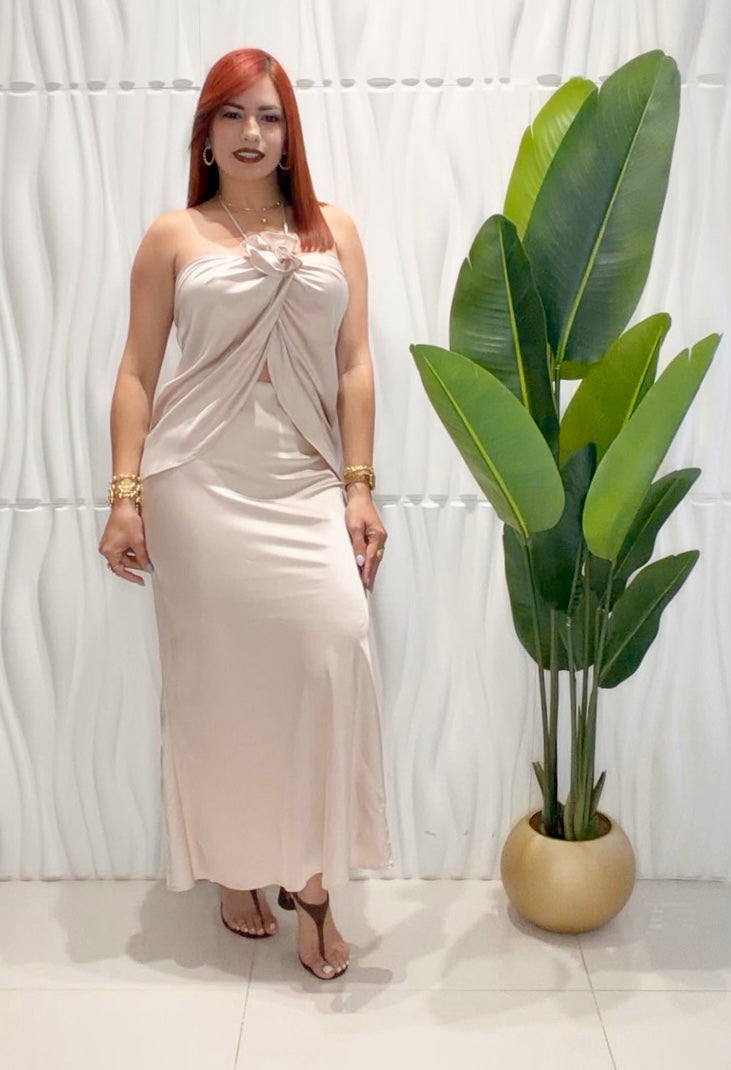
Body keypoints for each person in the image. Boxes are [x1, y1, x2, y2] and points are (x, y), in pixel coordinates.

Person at [97, 47, 394, 981]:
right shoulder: (174, 236)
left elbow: (354, 364)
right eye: (232, 115)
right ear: (206, 134)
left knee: (334, 644)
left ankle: (313, 881)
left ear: (289, 132)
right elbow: (138, 372)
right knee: (219, 688)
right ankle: (235, 866)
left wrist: (358, 485)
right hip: (198, 484)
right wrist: (125, 496)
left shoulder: (335, 231)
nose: (252, 133)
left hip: (303, 476)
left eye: (268, 115)